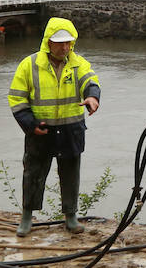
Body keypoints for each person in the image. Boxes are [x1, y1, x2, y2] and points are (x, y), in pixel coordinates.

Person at [6, 17, 101, 237]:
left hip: (71, 131)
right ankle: (27, 217)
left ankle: (71, 217)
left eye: (68, 43)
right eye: (59, 43)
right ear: (48, 42)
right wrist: (30, 125)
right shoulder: (29, 65)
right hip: (41, 132)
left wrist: (92, 98)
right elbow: (17, 99)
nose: (64, 47)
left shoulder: (78, 64)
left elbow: (91, 82)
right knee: (33, 175)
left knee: (70, 176)